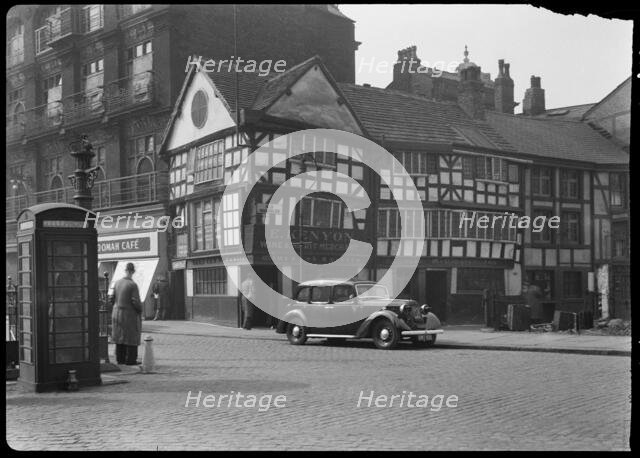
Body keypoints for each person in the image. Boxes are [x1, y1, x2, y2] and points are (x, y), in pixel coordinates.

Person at [111, 262, 142, 365]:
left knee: (119, 336)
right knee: (131, 336)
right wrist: (139, 310)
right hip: (128, 313)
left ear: (125, 270)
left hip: (116, 312)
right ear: (133, 271)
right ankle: (130, 360)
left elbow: (111, 298)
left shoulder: (117, 282)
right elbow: (135, 302)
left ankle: (120, 359)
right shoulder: (132, 285)